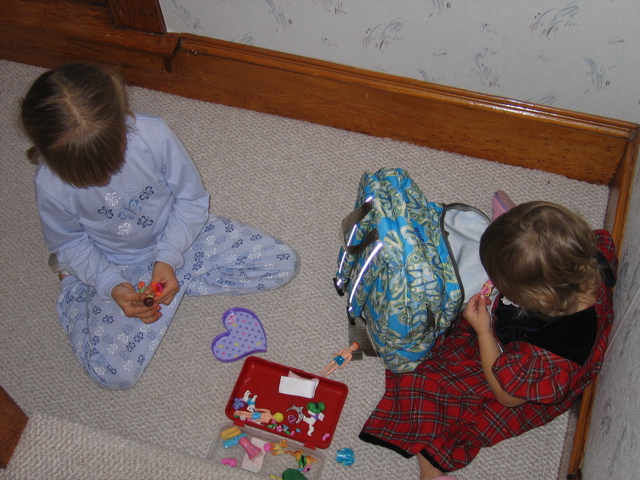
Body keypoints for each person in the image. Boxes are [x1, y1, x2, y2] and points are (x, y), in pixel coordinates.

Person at [20, 62, 299, 389]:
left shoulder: (153, 136)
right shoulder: (51, 185)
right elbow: (68, 245)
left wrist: (167, 257)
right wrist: (111, 284)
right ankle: (73, 287)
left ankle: (170, 282)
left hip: (182, 237)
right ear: (49, 158)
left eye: (113, 163)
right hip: (116, 265)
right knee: (113, 375)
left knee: (282, 263)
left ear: (124, 116)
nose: (107, 179)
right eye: (87, 179)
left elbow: (192, 202)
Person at [359, 199, 617, 480]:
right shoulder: (585, 258)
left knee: (424, 380)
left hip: (519, 385)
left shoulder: (550, 352)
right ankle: (516, 244)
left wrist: (483, 331)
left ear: (536, 299)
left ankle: (431, 473)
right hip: (519, 338)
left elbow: (505, 396)